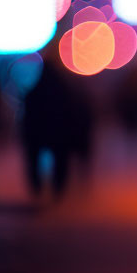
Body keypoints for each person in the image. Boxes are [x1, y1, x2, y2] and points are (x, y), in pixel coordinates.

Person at [21, 50, 93, 199]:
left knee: (35, 160)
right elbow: (72, 112)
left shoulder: (35, 90)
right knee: (60, 160)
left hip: (38, 132)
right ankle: (58, 191)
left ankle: (37, 190)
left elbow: (28, 113)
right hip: (59, 132)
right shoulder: (64, 90)